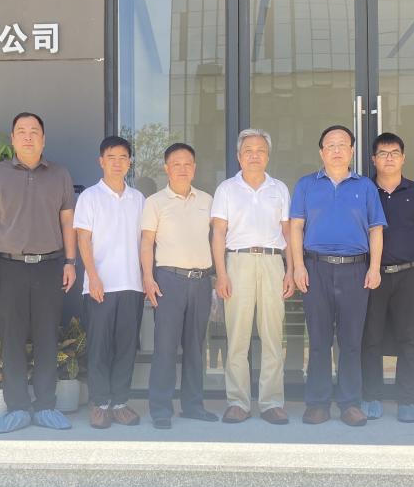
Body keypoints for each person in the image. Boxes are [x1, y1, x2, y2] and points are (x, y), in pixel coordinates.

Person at [0, 112, 76, 434]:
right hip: (8, 267)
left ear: (43, 139)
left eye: (34, 131)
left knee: (47, 337)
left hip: (50, 266)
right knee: (12, 338)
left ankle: (46, 406)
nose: (28, 136)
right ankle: (17, 407)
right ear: (13, 139)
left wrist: (71, 261)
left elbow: (67, 221)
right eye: (21, 131)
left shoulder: (59, 175)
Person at [290, 125, 386, 427]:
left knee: (351, 341)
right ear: (321, 152)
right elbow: (295, 227)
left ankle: (349, 403)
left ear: (352, 151)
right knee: (319, 340)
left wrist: (374, 267)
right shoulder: (306, 185)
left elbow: (376, 229)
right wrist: (298, 266)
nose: (336, 150)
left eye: (342, 144)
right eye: (330, 145)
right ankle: (317, 403)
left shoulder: (365, 187)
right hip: (315, 268)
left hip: (355, 270)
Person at [211, 129, 294, 425]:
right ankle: (238, 402)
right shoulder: (226, 189)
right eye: (248, 151)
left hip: (272, 262)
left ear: (268, 156)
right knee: (237, 337)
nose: (254, 155)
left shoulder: (279, 189)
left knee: (273, 336)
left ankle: (272, 402)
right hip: (238, 262)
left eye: (260, 150)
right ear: (238, 156)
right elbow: (218, 234)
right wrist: (221, 274)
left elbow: (288, 233)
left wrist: (291, 270)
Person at [141, 143, 217, 429]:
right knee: (165, 347)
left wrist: (217, 277)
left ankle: (193, 405)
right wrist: (148, 277)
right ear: (166, 168)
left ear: (194, 168)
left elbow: (216, 239)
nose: (182, 169)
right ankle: (161, 409)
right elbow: (146, 242)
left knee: (196, 348)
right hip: (168, 281)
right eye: (176, 164)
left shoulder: (207, 200)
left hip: (201, 281)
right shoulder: (155, 202)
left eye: (187, 164)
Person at [360, 133, 414, 423]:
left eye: (394, 153)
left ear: (403, 158)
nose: (389, 158)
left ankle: (407, 400)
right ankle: (372, 396)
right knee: (371, 338)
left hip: (407, 275)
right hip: (371, 275)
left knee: (408, 338)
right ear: (373, 159)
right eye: (383, 153)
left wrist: (404, 253)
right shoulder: (365, 191)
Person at [74, 135, 145, 429]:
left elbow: (145, 243)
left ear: (130, 163)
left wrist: (147, 278)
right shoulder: (90, 197)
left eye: (123, 158)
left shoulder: (138, 199)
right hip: (100, 285)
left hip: (132, 284)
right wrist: (93, 276)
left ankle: (120, 403)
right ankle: (100, 403)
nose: (117, 163)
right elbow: (83, 239)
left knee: (126, 348)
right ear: (101, 161)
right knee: (100, 347)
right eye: (111, 158)